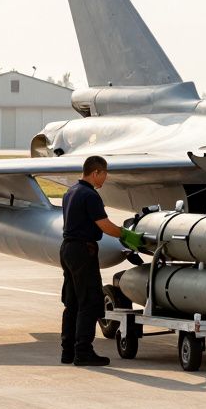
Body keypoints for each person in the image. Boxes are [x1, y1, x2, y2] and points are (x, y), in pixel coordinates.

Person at [59, 155, 144, 366]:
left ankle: (67, 351)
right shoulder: (90, 195)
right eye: (104, 174)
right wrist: (126, 235)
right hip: (83, 251)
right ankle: (83, 352)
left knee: (72, 302)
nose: (105, 179)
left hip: (68, 249)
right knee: (90, 301)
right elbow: (104, 225)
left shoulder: (70, 192)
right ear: (96, 172)